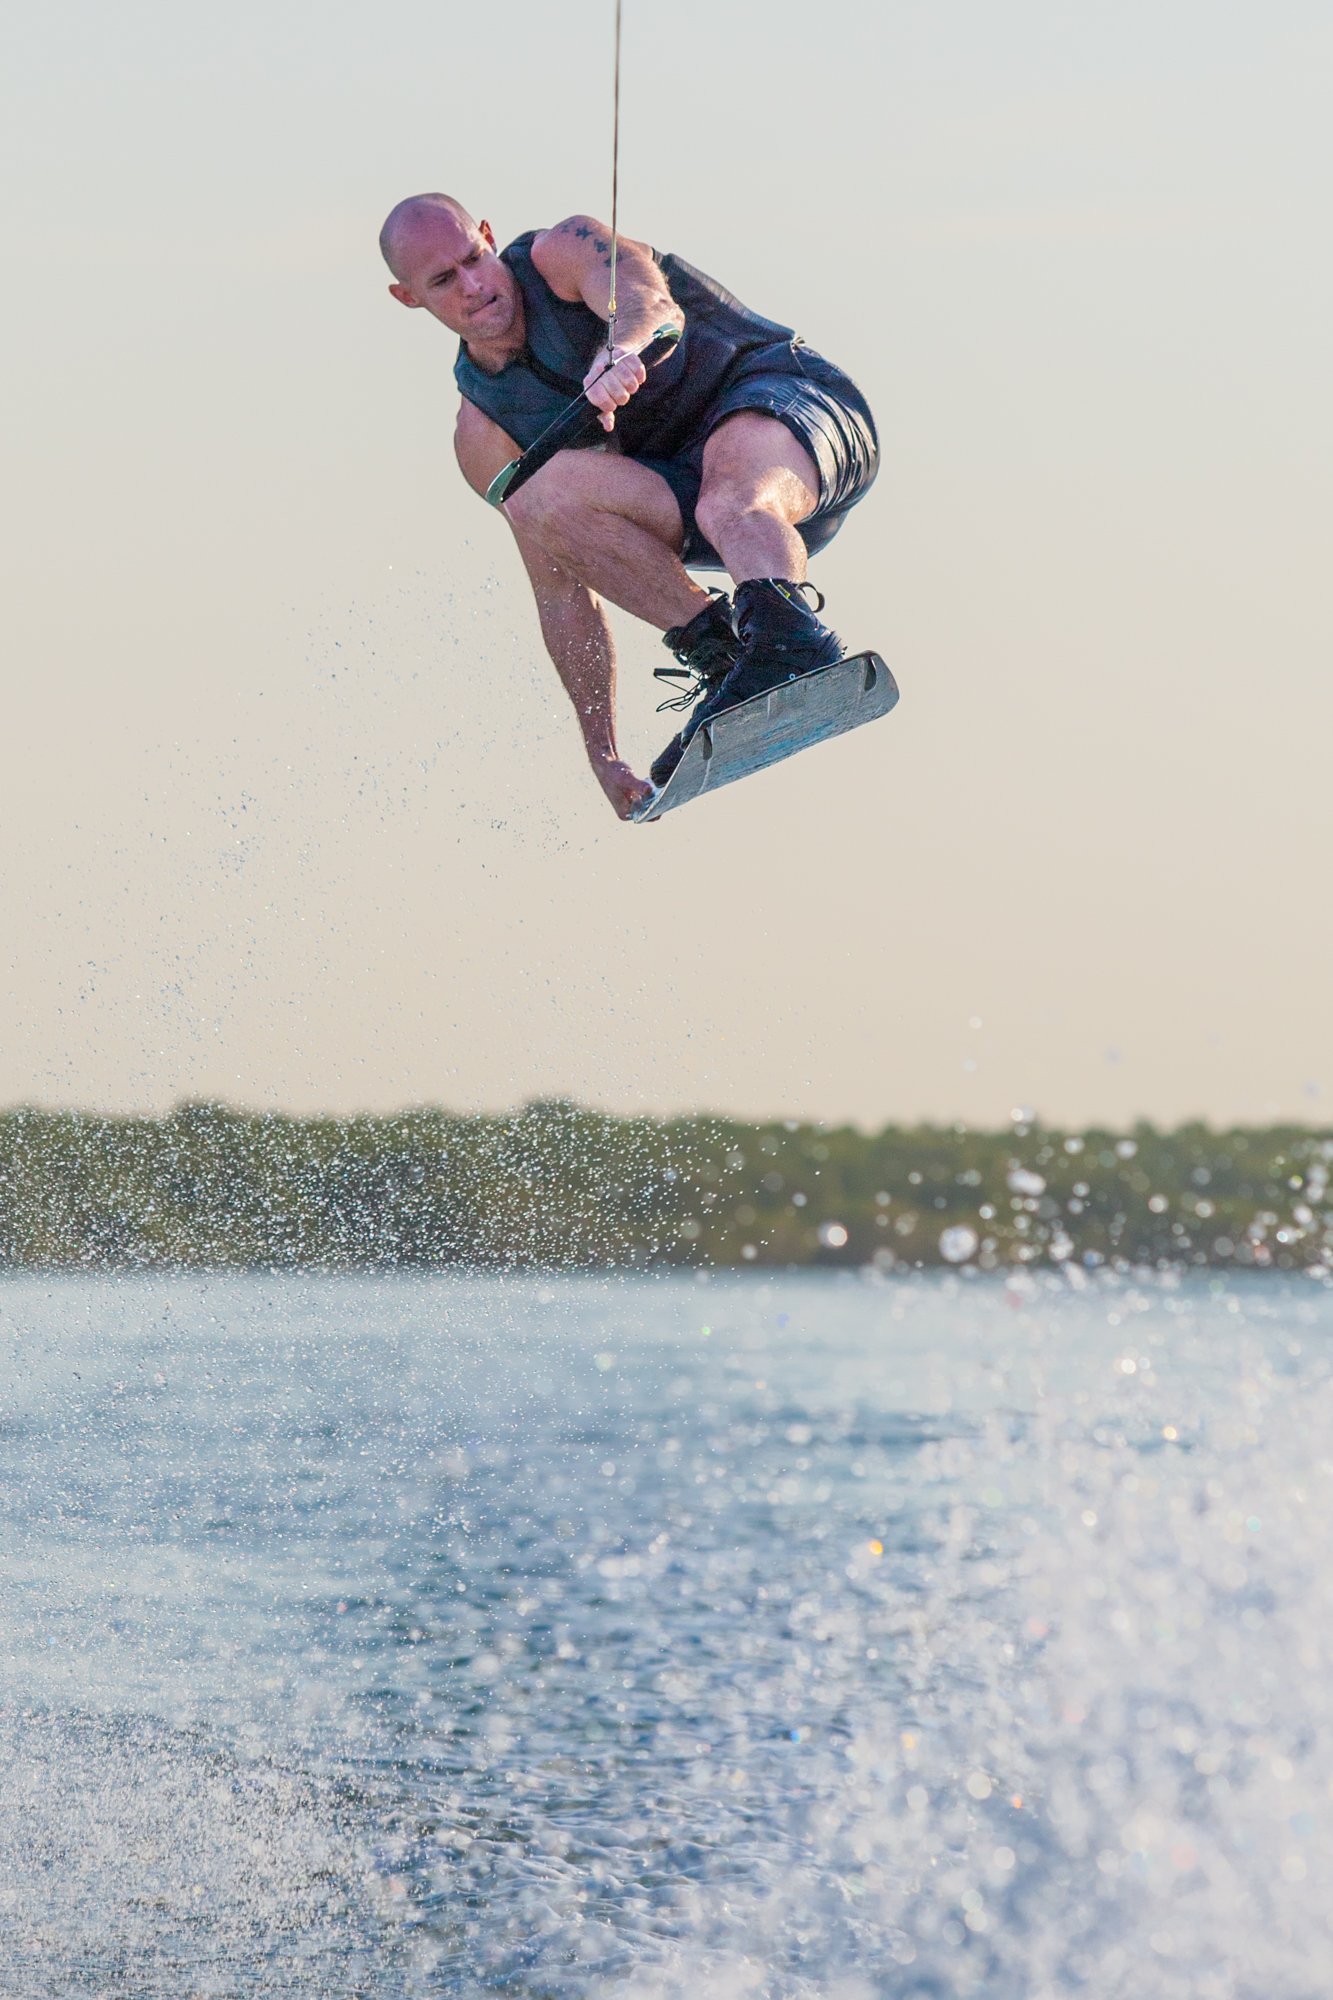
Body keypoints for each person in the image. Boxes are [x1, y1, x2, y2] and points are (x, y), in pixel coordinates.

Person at [380, 193, 879, 818]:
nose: (474, 286)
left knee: (729, 501)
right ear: (408, 297)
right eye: (444, 280)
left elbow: (651, 305)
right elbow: (561, 593)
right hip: (694, 502)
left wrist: (621, 349)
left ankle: (790, 639)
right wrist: (603, 751)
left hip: (795, 414)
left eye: (474, 258)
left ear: (487, 234)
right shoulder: (483, 433)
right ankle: (730, 657)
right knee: (538, 499)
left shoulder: (563, 251)